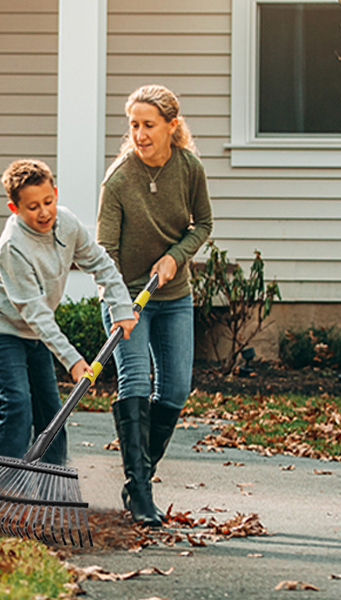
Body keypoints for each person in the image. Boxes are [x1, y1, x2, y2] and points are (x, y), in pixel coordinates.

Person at [0, 159, 138, 466]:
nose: (44, 212)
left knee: (52, 411)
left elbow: (100, 263)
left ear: (56, 193)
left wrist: (121, 305)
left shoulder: (67, 223)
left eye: (48, 201)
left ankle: (51, 481)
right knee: (18, 405)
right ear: (14, 208)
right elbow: (35, 313)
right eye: (32, 207)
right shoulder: (12, 247)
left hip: (34, 332)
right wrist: (72, 360)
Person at [97, 84, 213, 526]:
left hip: (174, 295)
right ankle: (141, 492)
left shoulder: (189, 169)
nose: (140, 134)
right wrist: (120, 304)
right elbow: (103, 250)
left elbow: (202, 224)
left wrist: (175, 257)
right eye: (134, 125)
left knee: (176, 389)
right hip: (126, 298)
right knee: (135, 384)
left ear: (171, 126)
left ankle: (138, 478)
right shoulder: (120, 179)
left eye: (149, 125)